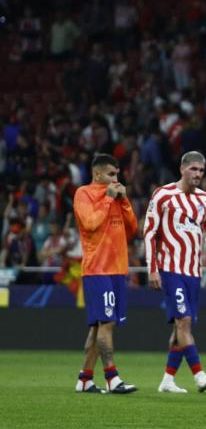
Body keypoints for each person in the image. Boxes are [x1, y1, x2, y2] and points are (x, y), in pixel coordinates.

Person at [144, 151, 206, 394]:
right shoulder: (163, 195)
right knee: (184, 321)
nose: (198, 174)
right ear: (182, 169)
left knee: (181, 327)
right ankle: (199, 375)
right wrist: (152, 269)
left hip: (193, 273)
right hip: (169, 269)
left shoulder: (205, 200)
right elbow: (149, 232)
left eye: (201, 170)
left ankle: (167, 380)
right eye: (194, 169)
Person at [73, 153, 139, 394]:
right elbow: (90, 223)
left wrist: (124, 201)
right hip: (97, 269)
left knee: (98, 327)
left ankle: (84, 379)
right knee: (107, 323)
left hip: (117, 269)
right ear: (97, 174)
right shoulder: (84, 193)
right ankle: (112, 378)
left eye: (117, 174)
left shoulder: (116, 198)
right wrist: (108, 199)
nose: (116, 179)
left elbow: (133, 229)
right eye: (111, 174)